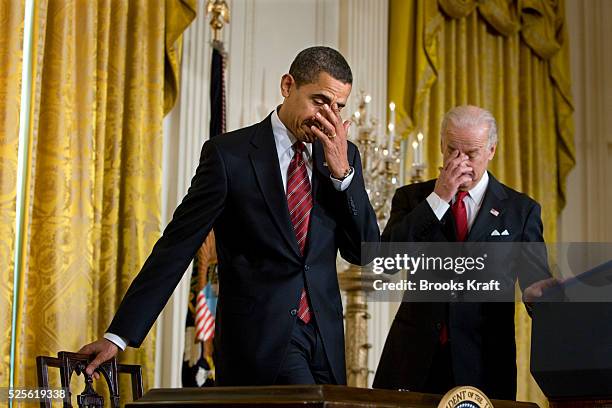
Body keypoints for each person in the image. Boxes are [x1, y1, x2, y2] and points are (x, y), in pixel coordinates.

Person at [78, 46, 379, 386]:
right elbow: (177, 246)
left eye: (338, 107)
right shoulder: (228, 155)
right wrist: (120, 335)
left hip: (325, 341)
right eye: (320, 101)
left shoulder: (342, 155)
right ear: (287, 85)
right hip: (260, 341)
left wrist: (343, 176)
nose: (329, 118)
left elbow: (364, 252)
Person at [372, 105, 557, 400]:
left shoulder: (520, 211)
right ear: (441, 145)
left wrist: (541, 296)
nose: (461, 162)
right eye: (452, 151)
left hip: (484, 364)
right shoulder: (411, 198)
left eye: (471, 153)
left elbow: (536, 283)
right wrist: (439, 198)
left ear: (491, 150)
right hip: (414, 360)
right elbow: (386, 262)